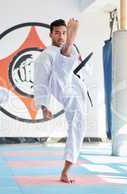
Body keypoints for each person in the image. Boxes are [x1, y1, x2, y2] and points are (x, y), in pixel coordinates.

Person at [34, 19, 91, 183]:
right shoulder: (45, 56)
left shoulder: (74, 52)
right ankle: (66, 52)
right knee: (61, 67)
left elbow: (86, 72)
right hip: (59, 84)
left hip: (75, 89)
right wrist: (44, 107)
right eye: (57, 33)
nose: (61, 36)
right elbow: (40, 82)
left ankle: (66, 170)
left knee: (78, 125)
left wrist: (79, 61)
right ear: (51, 34)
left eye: (64, 33)